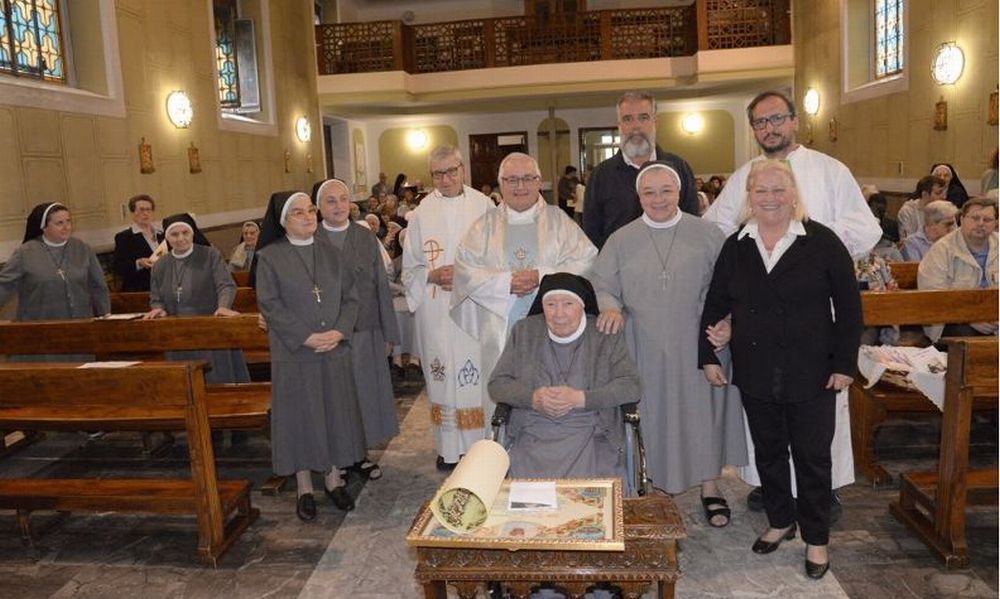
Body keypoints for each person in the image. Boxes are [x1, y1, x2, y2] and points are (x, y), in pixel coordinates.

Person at [703, 90, 879, 516]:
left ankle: (824, 487)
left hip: (815, 314)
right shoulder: (746, 175)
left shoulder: (829, 170)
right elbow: (716, 232)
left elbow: (867, 229)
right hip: (760, 319)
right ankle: (770, 485)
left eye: (777, 119)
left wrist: (810, 243)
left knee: (817, 410)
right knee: (764, 406)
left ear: (794, 121)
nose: (770, 129)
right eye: (761, 123)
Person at [699, 159, 863, 580]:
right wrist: (708, 352)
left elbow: (849, 309)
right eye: (761, 191)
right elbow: (716, 302)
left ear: (793, 195)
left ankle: (817, 539)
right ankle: (780, 519)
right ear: (749, 197)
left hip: (813, 370)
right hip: (757, 369)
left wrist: (845, 364)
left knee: (812, 459)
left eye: (778, 190)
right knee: (768, 452)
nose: (770, 198)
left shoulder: (822, 242)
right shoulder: (737, 243)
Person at [591, 161, 746, 526]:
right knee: (652, 414)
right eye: (649, 192)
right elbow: (603, 283)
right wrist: (611, 308)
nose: (658, 199)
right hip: (643, 343)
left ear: (680, 193)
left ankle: (710, 487)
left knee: (703, 414)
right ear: (638, 196)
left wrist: (727, 323)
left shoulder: (708, 234)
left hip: (698, 342)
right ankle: (653, 484)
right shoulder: (621, 238)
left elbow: (730, 288)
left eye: (666, 191)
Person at [452, 152, 597, 426]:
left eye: (527, 179)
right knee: (503, 394)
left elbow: (587, 260)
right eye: (512, 180)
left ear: (539, 182)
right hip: (500, 327)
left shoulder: (559, 221)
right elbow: (465, 269)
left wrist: (541, 276)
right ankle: (500, 455)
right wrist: (505, 282)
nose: (520, 187)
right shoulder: (484, 226)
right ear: (501, 184)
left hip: (553, 327)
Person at [255, 191, 365, 520]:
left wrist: (339, 331)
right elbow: (270, 304)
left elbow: (352, 298)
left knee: (333, 413)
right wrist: (306, 337)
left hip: (332, 349)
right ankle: (304, 487)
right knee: (302, 417)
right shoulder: (270, 257)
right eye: (298, 213)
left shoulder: (333, 253)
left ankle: (333, 480)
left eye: (311, 211)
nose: (308, 217)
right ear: (283, 221)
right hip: (295, 353)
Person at [488, 272, 640, 479]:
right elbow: (497, 384)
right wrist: (533, 399)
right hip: (534, 432)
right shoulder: (525, 332)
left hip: (591, 433)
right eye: (551, 305)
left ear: (582, 306)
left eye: (568, 304)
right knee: (527, 502)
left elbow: (631, 385)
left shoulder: (603, 334)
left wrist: (581, 399)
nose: (559, 314)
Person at [401, 145, 493, 470]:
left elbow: (497, 259)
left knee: (475, 374)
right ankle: (448, 447)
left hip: (474, 307)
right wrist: (431, 274)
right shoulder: (420, 214)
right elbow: (409, 267)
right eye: (438, 173)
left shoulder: (485, 207)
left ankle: (480, 448)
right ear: (432, 176)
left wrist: (466, 277)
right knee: (441, 373)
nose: (446, 178)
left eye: (452, 171)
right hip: (436, 310)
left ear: (463, 169)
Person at [315, 178, 400, 480]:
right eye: (330, 201)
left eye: (342, 199)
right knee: (335, 398)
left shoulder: (364, 237)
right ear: (319, 207)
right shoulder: (311, 239)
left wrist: (390, 332)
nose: (338, 206)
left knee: (363, 394)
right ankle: (336, 458)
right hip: (328, 335)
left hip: (366, 328)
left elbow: (380, 285)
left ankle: (359, 454)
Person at [146, 213, 251, 391]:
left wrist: (223, 307)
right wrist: (159, 309)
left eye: (185, 233)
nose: (180, 239)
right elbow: (156, 297)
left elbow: (225, 285)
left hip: (210, 329)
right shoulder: (160, 265)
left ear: (193, 233)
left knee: (218, 385)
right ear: (167, 237)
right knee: (186, 388)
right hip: (177, 336)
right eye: (174, 234)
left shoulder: (210, 255)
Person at [583, 91, 699, 249]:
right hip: (619, 268)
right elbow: (592, 233)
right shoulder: (601, 175)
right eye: (628, 119)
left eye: (643, 118)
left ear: (655, 122)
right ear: (619, 125)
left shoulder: (680, 168)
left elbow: (692, 223)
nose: (636, 126)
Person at [0, 202, 110, 360]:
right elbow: (4, 286)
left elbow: (98, 287)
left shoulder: (82, 249)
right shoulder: (26, 253)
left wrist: (105, 316)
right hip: (40, 332)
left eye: (68, 221)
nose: (66, 227)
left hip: (80, 330)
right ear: (44, 227)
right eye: (59, 223)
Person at [917, 197, 998, 340]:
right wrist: (970, 318)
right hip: (953, 321)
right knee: (968, 339)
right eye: (975, 218)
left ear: (996, 223)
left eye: (987, 220)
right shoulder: (942, 250)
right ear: (961, 220)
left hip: (995, 318)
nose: (980, 223)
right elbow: (933, 298)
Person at [112, 194, 163, 291]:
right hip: (140, 289)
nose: (145, 213)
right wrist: (139, 263)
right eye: (141, 210)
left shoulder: (162, 234)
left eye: (148, 210)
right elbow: (118, 267)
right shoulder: (124, 237)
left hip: (163, 287)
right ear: (133, 213)